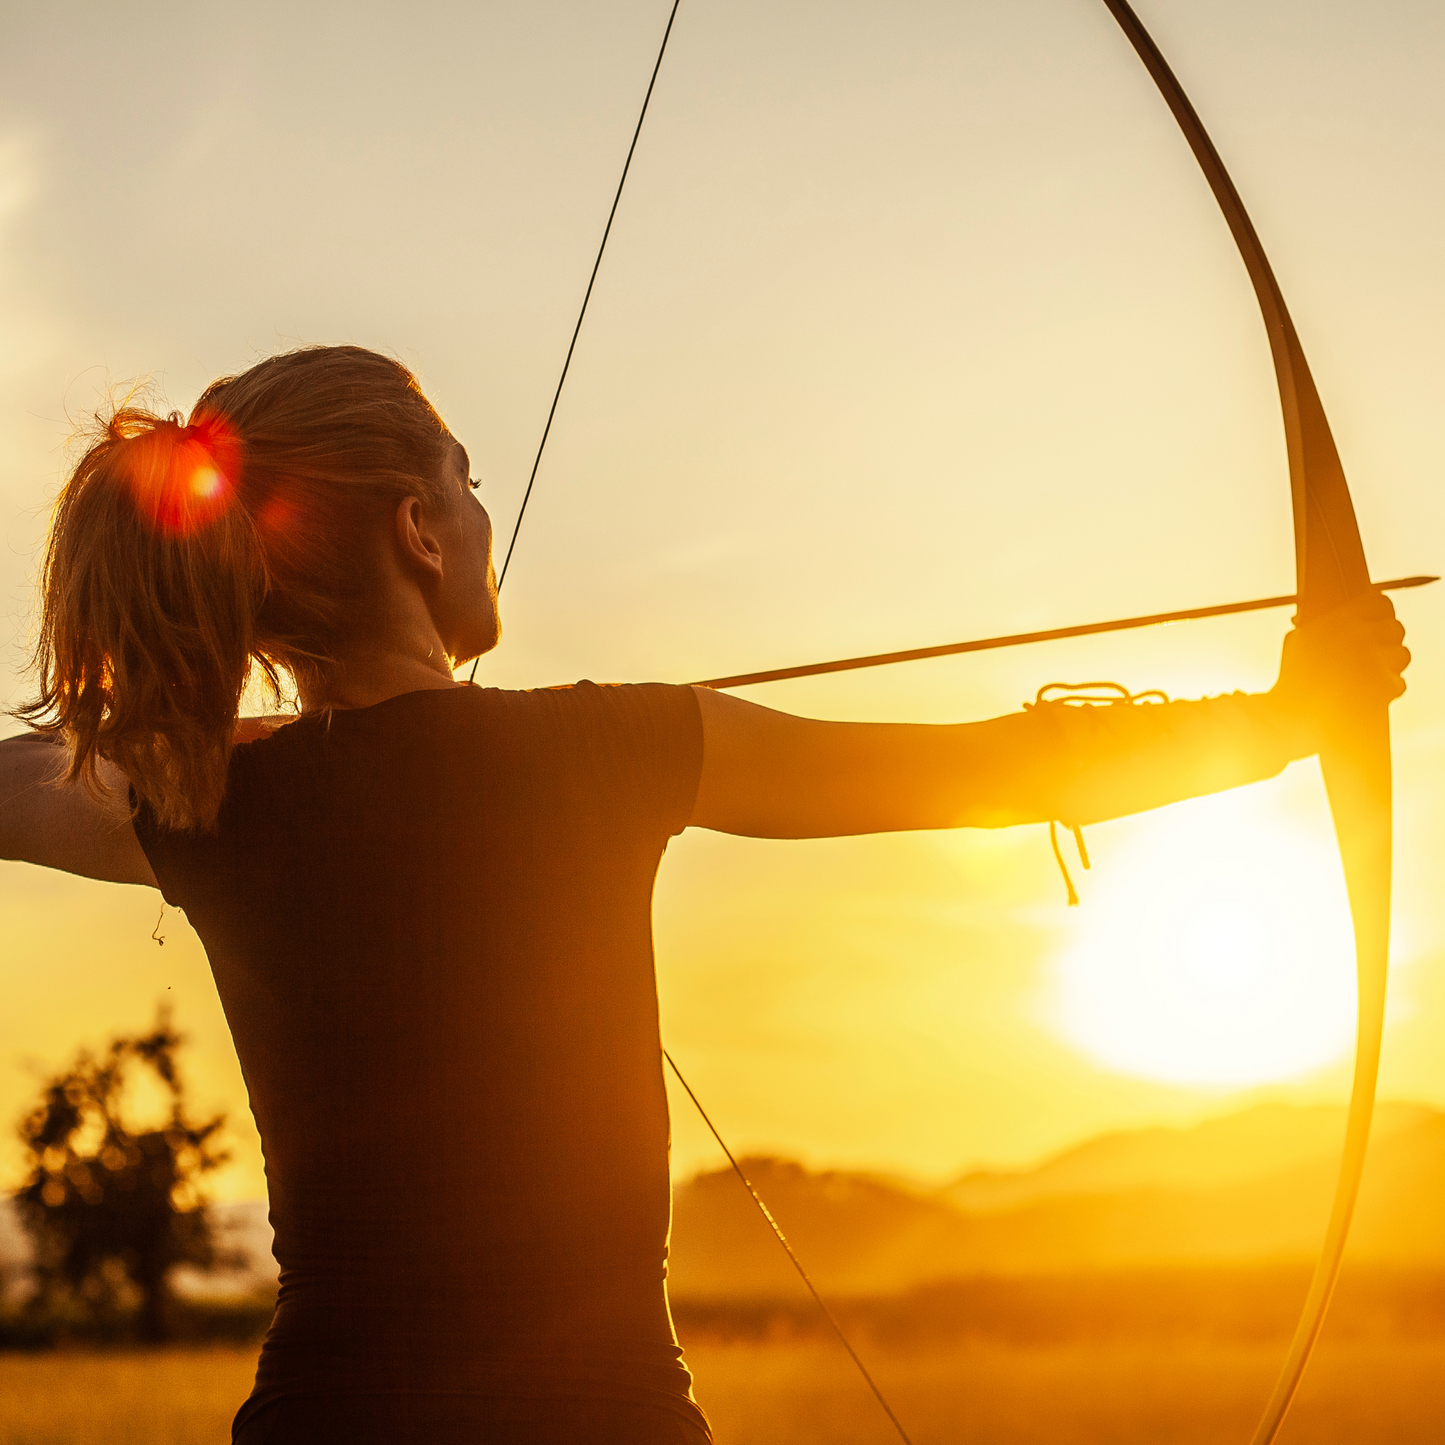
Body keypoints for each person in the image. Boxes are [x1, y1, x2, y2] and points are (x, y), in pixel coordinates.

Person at [0, 345, 1409, 1444]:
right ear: (420, 531)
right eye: (467, 480)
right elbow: (989, 773)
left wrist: (179, 720)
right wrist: (1288, 714)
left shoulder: (201, 800)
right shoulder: (607, 747)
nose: (487, 515)